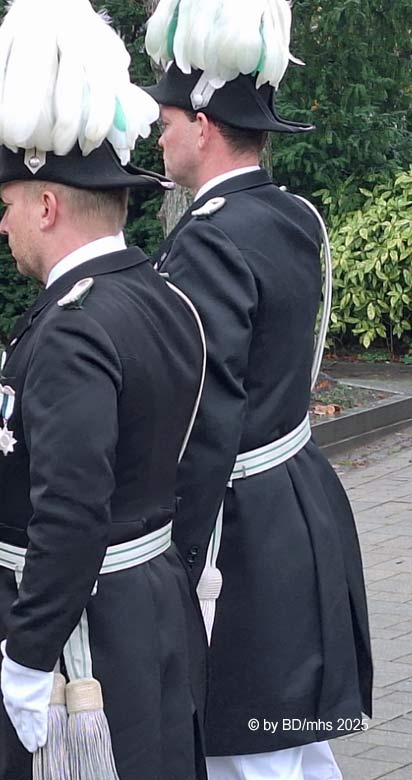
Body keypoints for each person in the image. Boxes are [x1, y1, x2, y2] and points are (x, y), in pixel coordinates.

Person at [0, 1, 208, 778]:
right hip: (150, 609)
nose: (4, 228)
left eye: (8, 207)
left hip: (80, 640)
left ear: (48, 204)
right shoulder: (160, 294)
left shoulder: (74, 328)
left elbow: (70, 512)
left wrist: (28, 660)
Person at [142, 1, 373, 778]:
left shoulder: (209, 238)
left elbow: (203, 420)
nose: (160, 134)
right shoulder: (290, 215)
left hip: (237, 527)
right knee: (296, 740)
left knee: (247, 751)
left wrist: (174, 559)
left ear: (203, 125)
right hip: (299, 493)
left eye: (168, 120)